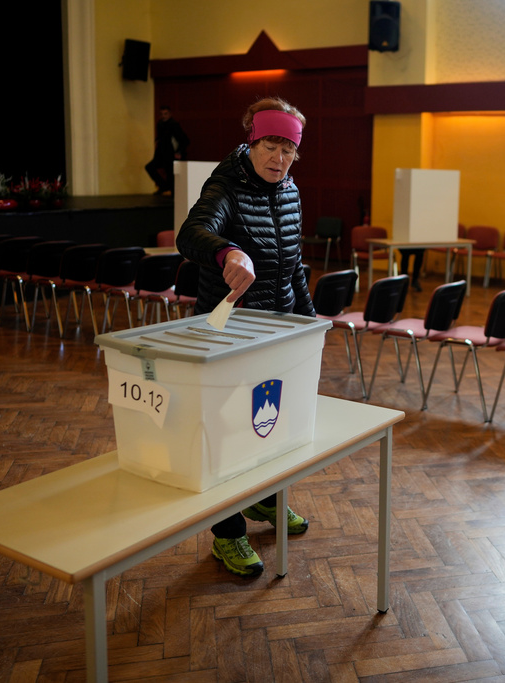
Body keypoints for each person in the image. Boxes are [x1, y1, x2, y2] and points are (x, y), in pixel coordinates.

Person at [176, 97, 314, 577]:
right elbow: (190, 234)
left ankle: (264, 501)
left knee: (270, 423)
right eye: (271, 146)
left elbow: (294, 267)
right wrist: (228, 251)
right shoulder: (226, 185)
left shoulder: (291, 191)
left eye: (288, 150)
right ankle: (228, 533)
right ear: (252, 142)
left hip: (275, 332)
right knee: (227, 431)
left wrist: (308, 323)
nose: (279, 158)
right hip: (229, 331)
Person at [145, 106, 190, 195]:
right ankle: (163, 186)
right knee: (150, 167)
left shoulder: (174, 125)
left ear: (170, 114)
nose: (163, 116)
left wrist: (179, 151)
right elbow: (161, 139)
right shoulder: (160, 124)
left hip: (171, 155)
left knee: (171, 174)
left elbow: (185, 140)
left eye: (165, 114)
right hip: (162, 154)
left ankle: (171, 192)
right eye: (161, 114)